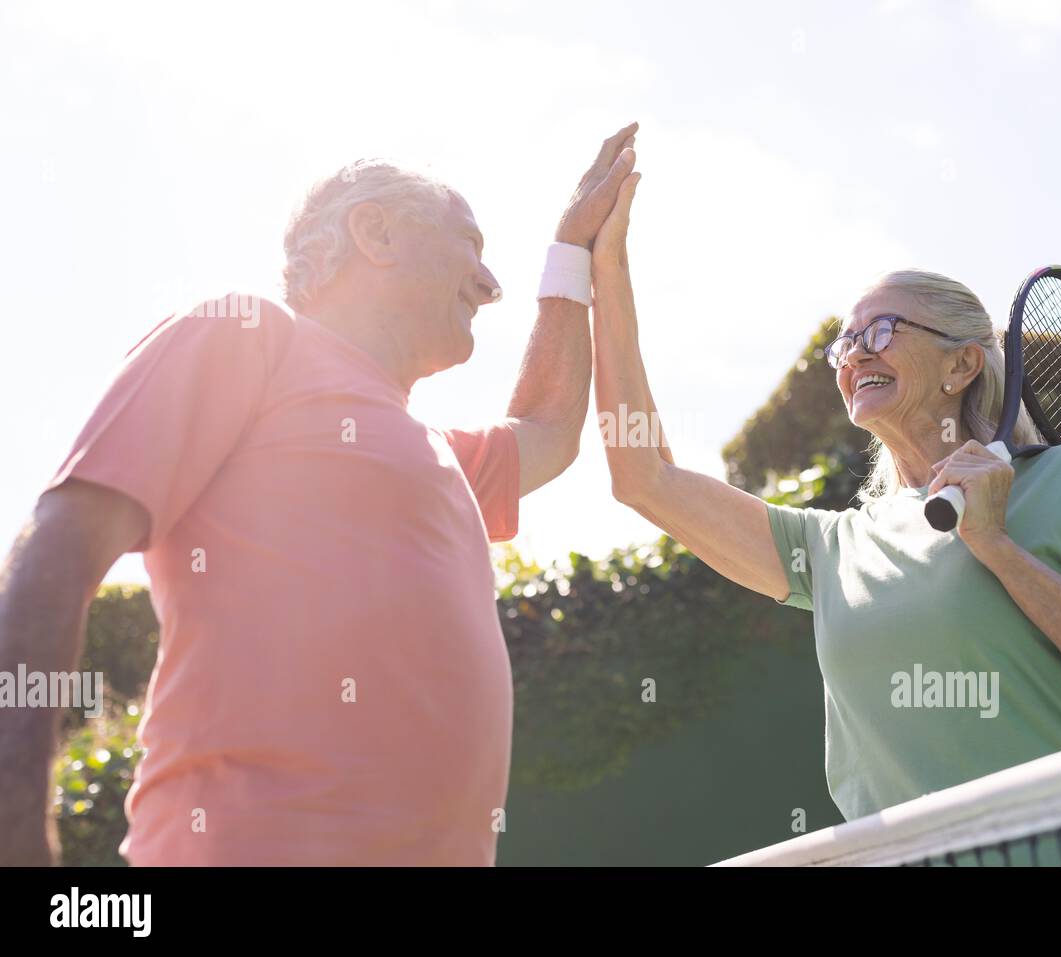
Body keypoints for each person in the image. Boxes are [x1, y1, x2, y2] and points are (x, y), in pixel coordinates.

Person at [0, 124, 639, 866]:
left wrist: (572, 249)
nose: (491, 284)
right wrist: (14, 831)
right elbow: (60, 549)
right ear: (376, 231)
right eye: (471, 243)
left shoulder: (433, 453)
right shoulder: (248, 336)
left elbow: (550, 429)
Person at [589, 170, 1061, 865]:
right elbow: (643, 476)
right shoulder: (831, 548)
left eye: (881, 330)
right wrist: (605, 270)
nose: (855, 354)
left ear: (962, 364)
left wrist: (997, 546)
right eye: (845, 343)